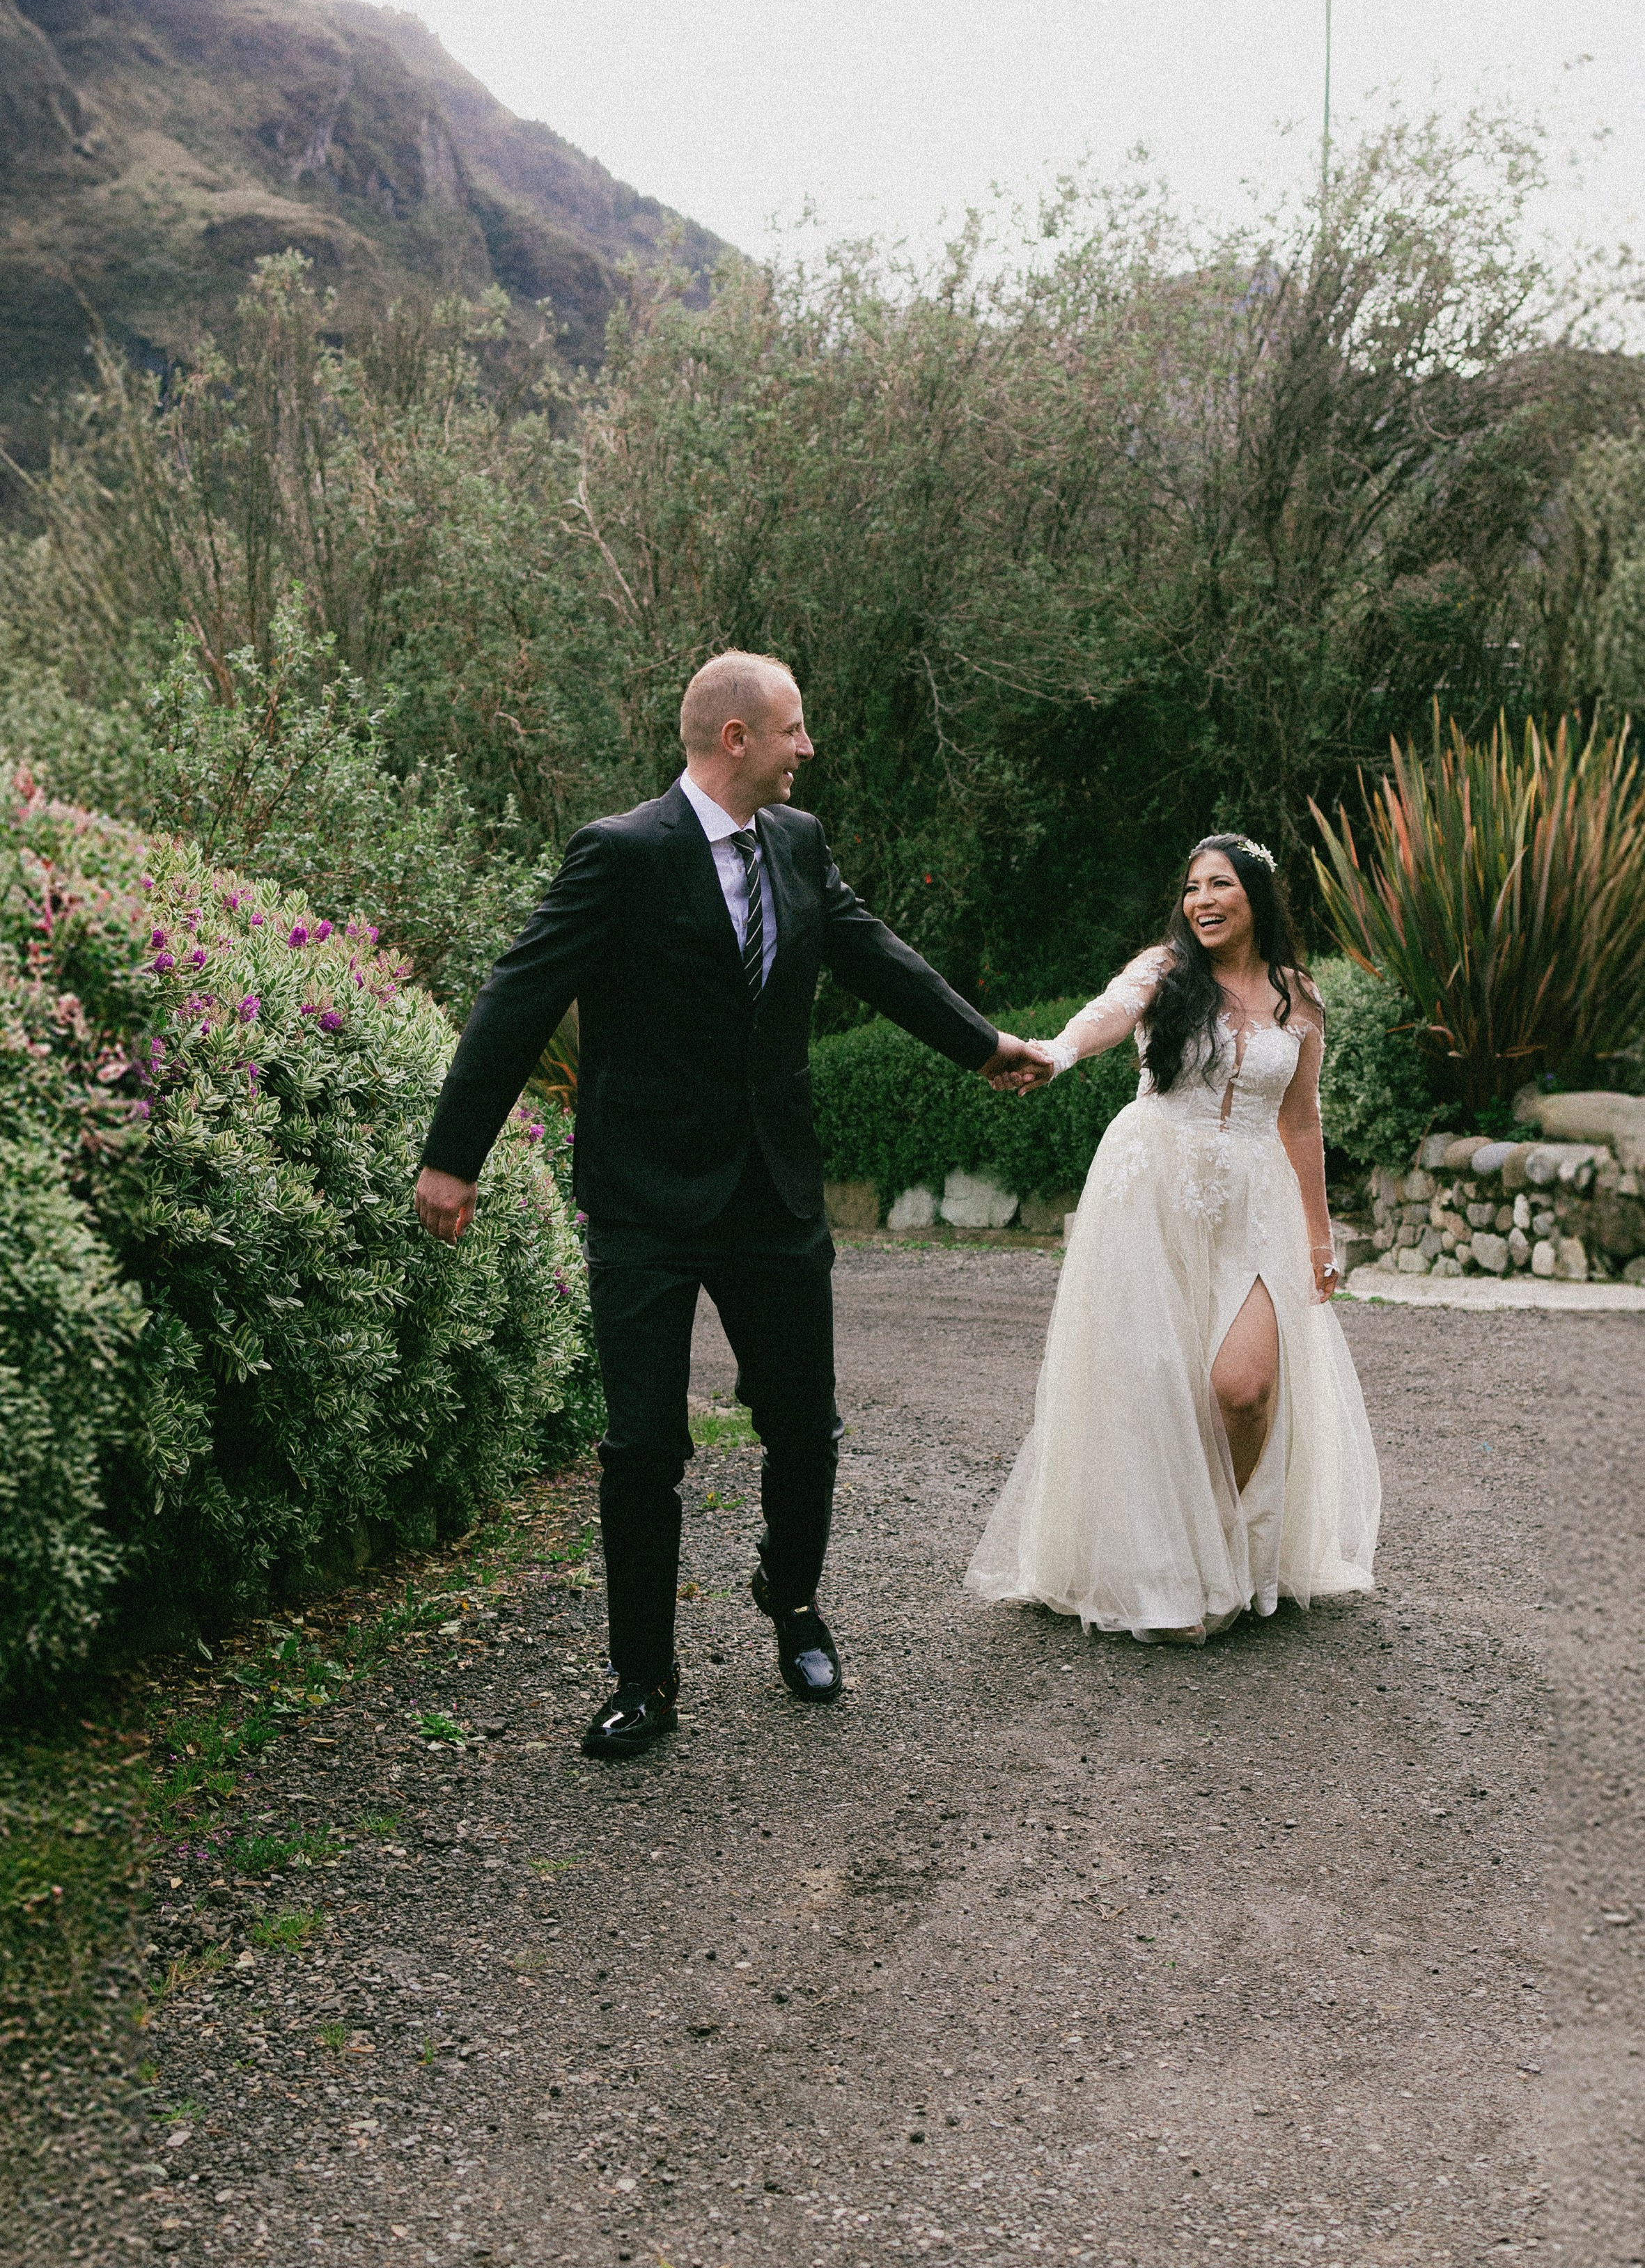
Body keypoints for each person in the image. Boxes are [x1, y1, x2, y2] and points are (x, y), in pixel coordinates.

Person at [415, 651, 1040, 1754]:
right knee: (642, 1445)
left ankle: (791, 1602)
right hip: (644, 1200)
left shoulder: (796, 842)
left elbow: (870, 954)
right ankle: (641, 1680)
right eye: (794, 728)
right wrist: (451, 1157)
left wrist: (981, 1044)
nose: (809, 747)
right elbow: (520, 995)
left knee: (804, 1424)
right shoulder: (619, 853)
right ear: (736, 737)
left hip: (771, 1191)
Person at [965, 834, 1380, 1645]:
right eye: (1192, 888)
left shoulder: (1298, 997)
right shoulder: (1164, 970)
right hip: (1151, 1187)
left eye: (1219, 885)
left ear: (1255, 896)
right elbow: (1107, 1014)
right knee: (1149, 1382)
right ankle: (1168, 1568)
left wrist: (1318, 1237)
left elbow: (1300, 1121)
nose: (1202, 902)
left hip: (1254, 1202)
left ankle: (1231, 1542)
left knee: (1243, 1386)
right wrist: (1055, 1053)